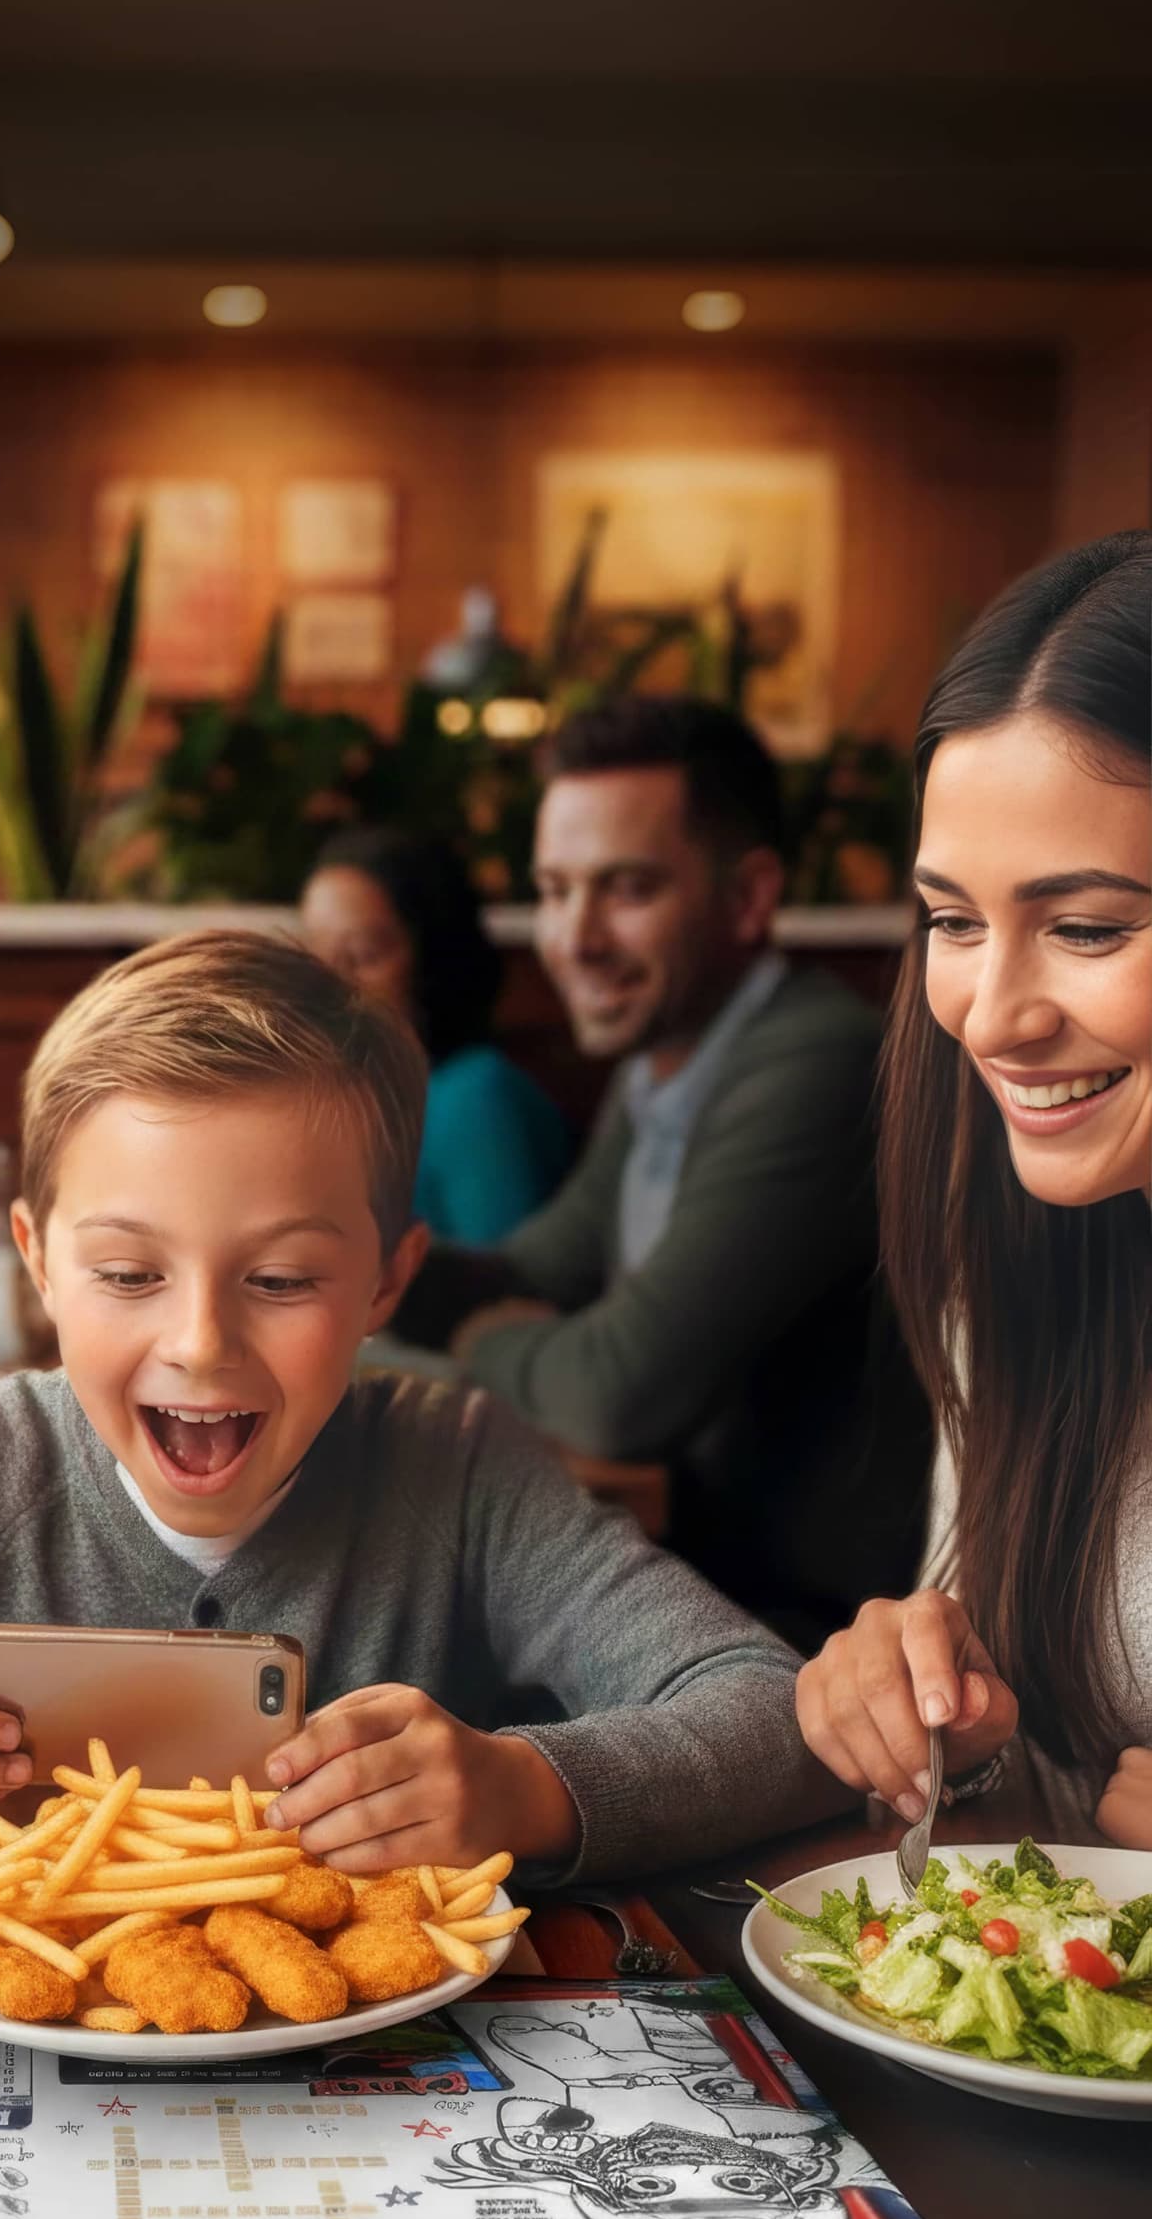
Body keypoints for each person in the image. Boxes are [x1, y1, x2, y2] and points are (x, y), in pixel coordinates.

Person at [0, 930, 841, 1883]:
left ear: (388, 1277)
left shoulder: (459, 1468)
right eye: (128, 1276)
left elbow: (770, 1714)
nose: (197, 1341)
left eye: (279, 1280)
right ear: (35, 1261)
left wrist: (518, 1787)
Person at [393, 695, 928, 1646]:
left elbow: (617, 1394)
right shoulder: (664, 1061)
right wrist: (337, 1257)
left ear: (750, 897)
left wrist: (481, 1344)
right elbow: (532, 1273)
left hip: (831, 1638)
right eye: (556, 891)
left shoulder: (816, 1061)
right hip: (705, 1585)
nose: (575, 939)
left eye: (628, 890)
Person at [795, 531, 1152, 1848]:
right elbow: (1072, 1830)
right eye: (952, 920)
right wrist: (946, 1733)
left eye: (1090, 927)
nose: (990, 1015)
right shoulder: (1014, 1255)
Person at [299, 825, 567, 1243]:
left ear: (433, 959)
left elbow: (506, 1288)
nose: (331, 984)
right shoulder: (345, 1101)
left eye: (364, 955)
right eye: (314, 955)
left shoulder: (474, 1098)